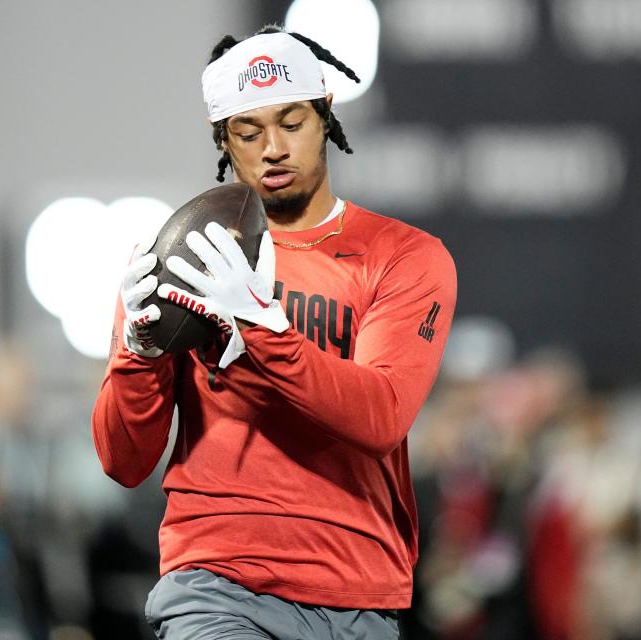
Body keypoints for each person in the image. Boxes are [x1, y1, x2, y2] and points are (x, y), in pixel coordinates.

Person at [92, 25, 457, 639]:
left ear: (325, 115)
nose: (273, 148)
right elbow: (124, 461)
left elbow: (381, 416)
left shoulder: (402, 256)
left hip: (356, 590)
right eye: (249, 130)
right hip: (216, 583)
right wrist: (139, 353)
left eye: (291, 122)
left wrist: (263, 330)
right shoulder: (183, 255)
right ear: (223, 140)